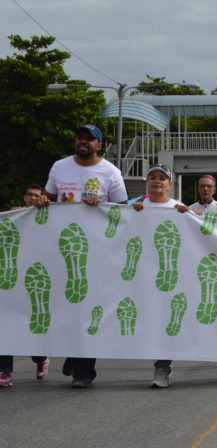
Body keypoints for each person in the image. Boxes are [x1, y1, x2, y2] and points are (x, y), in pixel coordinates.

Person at [35, 124, 128, 389]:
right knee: (65, 305)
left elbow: (122, 209)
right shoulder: (59, 166)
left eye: (90, 139)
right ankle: (74, 353)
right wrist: (42, 200)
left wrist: (102, 204)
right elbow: (49, 199)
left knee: (87, 306)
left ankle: (83, 371)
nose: (84, 142)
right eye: (80, 137)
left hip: (95, 250)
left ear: (99, 145)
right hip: (63, 247)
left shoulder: (110, 171)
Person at [131, 164, 190, 388]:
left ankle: (162, 367)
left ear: (170, 184)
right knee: (147, 319)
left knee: (166, 319)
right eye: (153, 177)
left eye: (162, 178)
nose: (157, 181)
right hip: (142, 273)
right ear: (147, 182)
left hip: (170, 275)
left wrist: (195, 215)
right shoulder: (135, 206)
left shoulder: (179, 208)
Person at [0, 184, 50, 387]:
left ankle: (40, 358)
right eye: (29, 194)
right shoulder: (12, 216)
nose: (32, 197)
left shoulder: (48, 217)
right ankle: (4, 371)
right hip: (9, 278)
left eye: (36, 195)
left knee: (30, 323)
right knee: (5, 324)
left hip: (34, 279)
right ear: (24, 196)